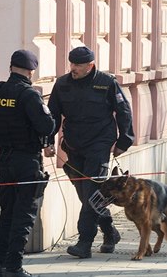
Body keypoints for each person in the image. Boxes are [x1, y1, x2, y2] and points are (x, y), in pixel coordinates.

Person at [46, 46, 135, 259]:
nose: (73, 68)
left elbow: (124, 111)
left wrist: (124, 141)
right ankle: (110, 232)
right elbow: (53, 116)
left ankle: (84, 242)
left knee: (92, 193)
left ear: (90, 66)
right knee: (87, 195)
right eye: (72, 64)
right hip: (75, 145)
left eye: (78, 65)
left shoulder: (106, 82)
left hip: (99, 145)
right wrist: (48, 141)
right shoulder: (62, 84)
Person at [0, 50, 56, 277]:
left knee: (7, 214)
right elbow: (47, 127)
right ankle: (14, 267)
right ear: (31, 71)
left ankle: (0, 265)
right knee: (23, 216)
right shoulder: (29, 95)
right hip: (27, 160)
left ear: (10, 67)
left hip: (4, 160)